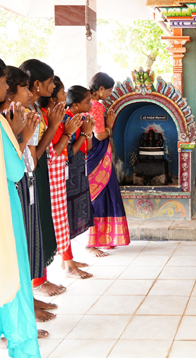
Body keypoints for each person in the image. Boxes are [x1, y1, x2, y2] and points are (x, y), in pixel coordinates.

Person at [0, 67, 60, 324]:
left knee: (26, 245)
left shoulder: (25, 115)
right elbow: (20, 164)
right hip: (16, 186)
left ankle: (27, 301)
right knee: (15, 252)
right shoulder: (8, 120)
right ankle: (18, 316)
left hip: (25, 184)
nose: (29, 93)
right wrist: (24, 135)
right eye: (23, 88)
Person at [0, 60, 42, 356]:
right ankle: (21, 343)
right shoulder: (3, 123)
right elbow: (16, 171)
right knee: (12, 278)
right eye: (4, 81)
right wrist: (22, 137)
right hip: (6, 209)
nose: (5, 87)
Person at [20, 60, 66, 298]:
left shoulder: (35, 110)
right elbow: (34, 155)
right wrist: (56, 126)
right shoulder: (25, 112)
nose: (54, 86)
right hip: (29, 175)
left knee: (39, 226)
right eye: (50, 82)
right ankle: (34, 287)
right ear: (37, 84)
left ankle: (37, 285)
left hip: (39, 173)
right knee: (30, 231)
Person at [38, 77, 89, 279]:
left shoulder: (55, 117)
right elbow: (53, 153)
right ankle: (47, 275)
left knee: (61, 220)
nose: (64, 97)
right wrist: (72, 133)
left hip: (62, 173)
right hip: (52, 176)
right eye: (61, 93)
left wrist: (81, 133)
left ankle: (68, 261)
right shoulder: (46, 118)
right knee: (51, 222)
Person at [86, 73, 130, 257]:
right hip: (98, 158)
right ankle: (94, 242)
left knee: (96, 197)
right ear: (101, 89)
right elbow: (99, 135)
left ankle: (99, 239)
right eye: (109, 91)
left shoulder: (85, 103)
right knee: (100, 196)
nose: (109, 95)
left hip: (90, 155)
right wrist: (110, 126)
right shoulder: (96, 106)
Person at [63, 86, 95, 278]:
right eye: (87, 101)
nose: (90, 104)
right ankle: (67, 263)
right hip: (68, 174)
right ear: (75, 105)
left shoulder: (81, 119)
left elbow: (88, 147)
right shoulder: (66, 120)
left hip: (79, 171)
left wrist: (87, 131)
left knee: (74, 215)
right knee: (66, 217)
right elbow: (68, 152)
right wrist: (83, 133)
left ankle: (69, 260)